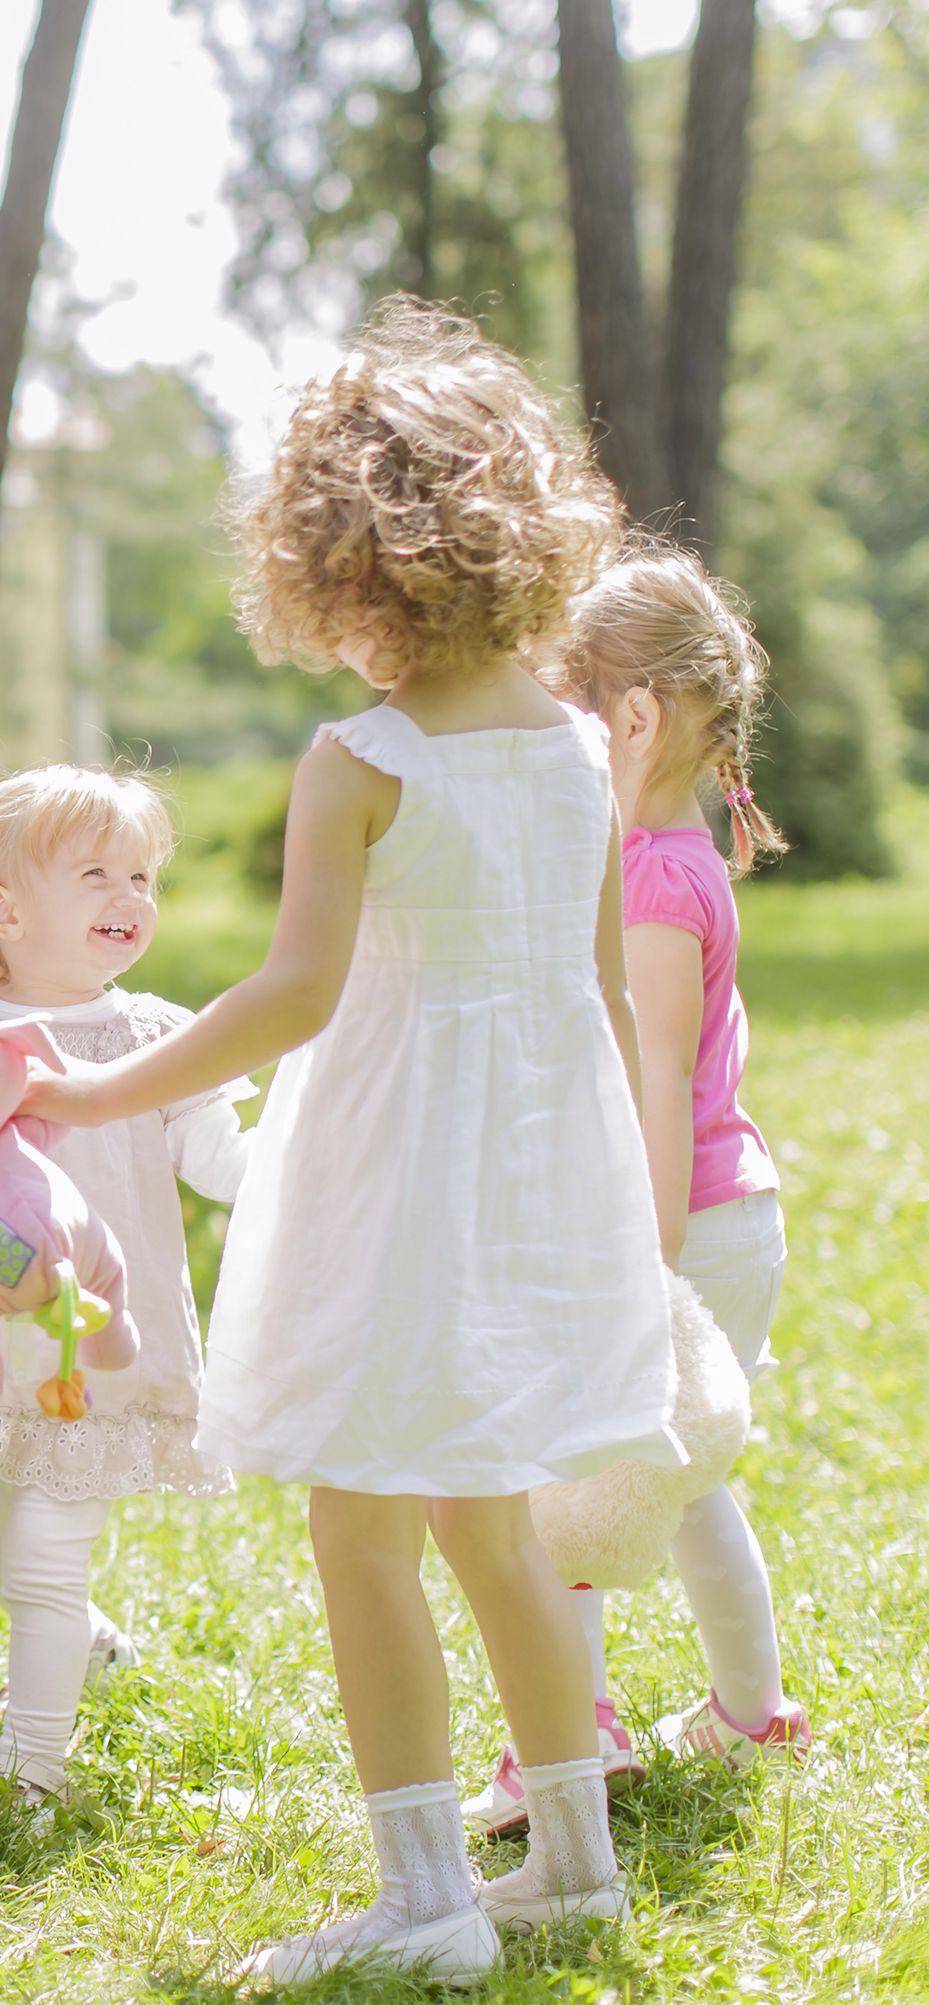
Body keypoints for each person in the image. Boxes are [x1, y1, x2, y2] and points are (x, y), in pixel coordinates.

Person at [24, 302, 682, 1985]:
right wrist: (616, 1215)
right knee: (495, 1519)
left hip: (397, 1171)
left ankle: (426, 1904)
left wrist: (101, 1088)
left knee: (364, 1524)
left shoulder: (360, 760)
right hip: (533, 1166)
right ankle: (578, 1869)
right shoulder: (579, 751)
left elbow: (295, 996)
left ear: (341, 567)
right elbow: (603, 996)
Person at [459, 543, 807, 1823]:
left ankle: (575, 1730)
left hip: (677, 1225)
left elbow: (658, 1078)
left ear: (632, 717)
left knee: (564, 1470)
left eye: (560, 705)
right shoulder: (667, 855)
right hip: (723, 1217)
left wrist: (638, 1259)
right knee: (676, 1473)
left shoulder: (654, 880)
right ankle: (749, 1713)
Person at [0, 766, 252, 1803]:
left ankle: (33, 1766)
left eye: (144, 878)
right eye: (99, 876)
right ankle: (90, 1641)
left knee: (44, 1559)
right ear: (5, 909)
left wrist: (316, 1162)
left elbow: (220, 1162)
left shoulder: (155, 1036)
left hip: (95, 1352)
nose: (132, 900)